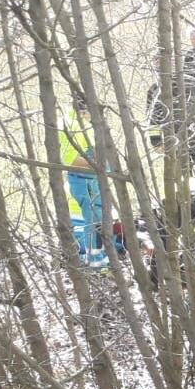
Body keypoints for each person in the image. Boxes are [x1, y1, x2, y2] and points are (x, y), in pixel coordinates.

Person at [59, 96, 106, 268]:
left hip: (93, 182)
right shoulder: (72, 125)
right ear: (84, 110)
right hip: (85, 182)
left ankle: (99, 257)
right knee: (94, 221)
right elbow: (70, 160)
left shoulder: (83, 124)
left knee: (98, 221)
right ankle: (96, 263)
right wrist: (99, 166)